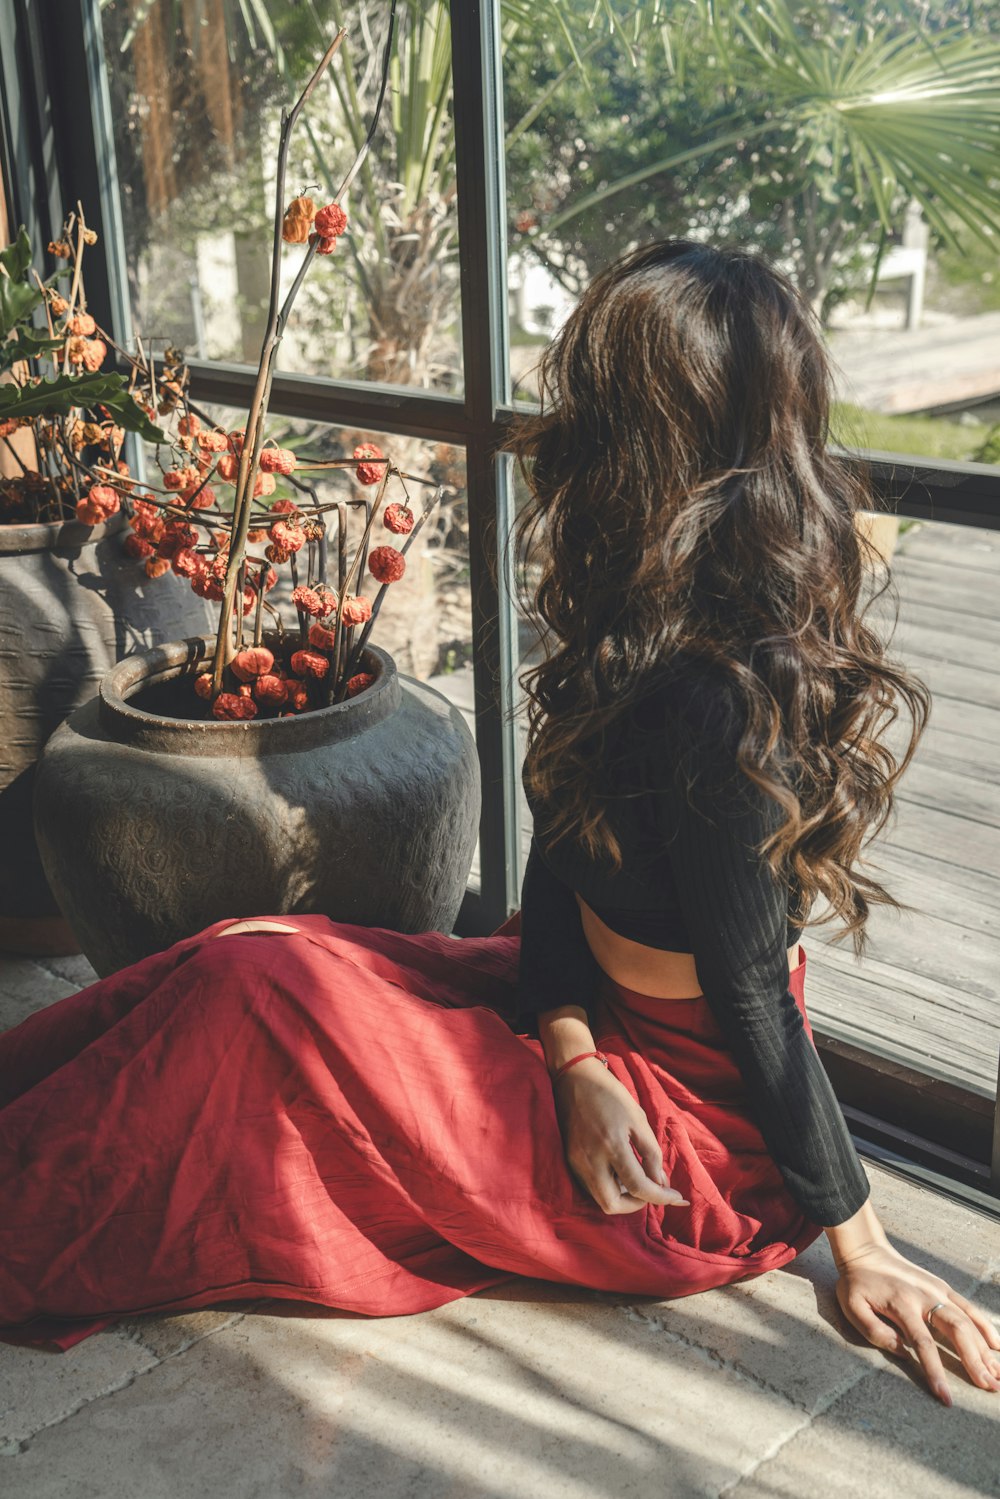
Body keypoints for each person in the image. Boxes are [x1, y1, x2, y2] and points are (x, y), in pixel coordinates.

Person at [1, 242, 997, 1407]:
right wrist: (572, 1054)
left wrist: (864, 1243)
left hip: (687, 1149)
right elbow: (565, 874)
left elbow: (750, 1000)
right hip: (590, 1037)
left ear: (640, 442)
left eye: (589, 398)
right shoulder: (635, 640)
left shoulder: (713, 702)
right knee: (253, 955)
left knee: (259, 1007)